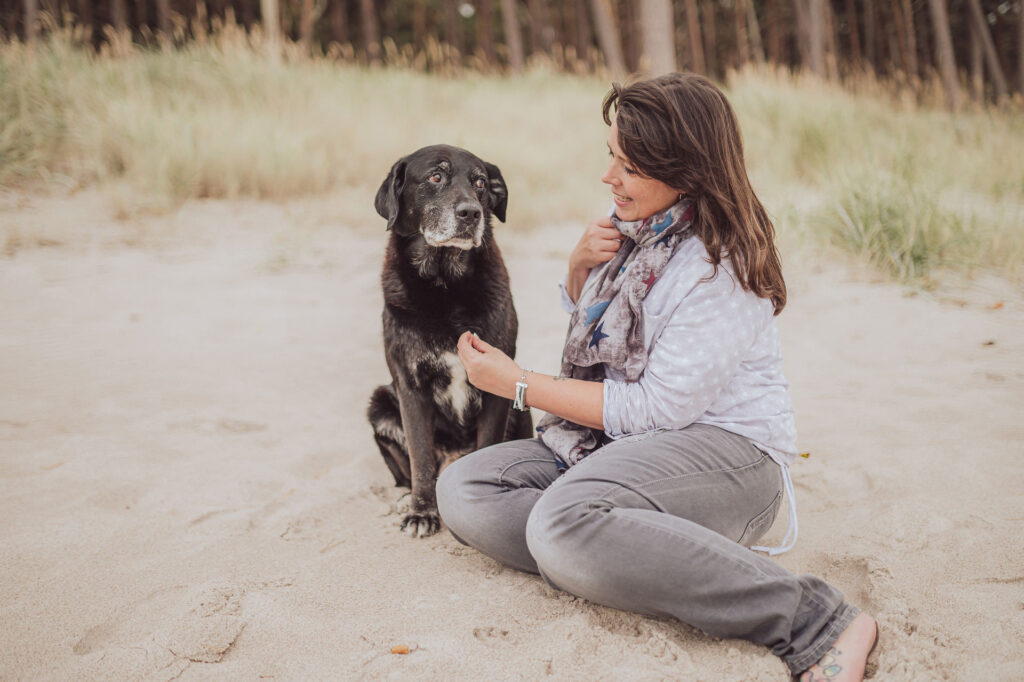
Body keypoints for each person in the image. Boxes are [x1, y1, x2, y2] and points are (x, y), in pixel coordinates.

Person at [436, 73, 878, 681]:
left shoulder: (718, 269)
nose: (609, 178)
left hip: (729, 460)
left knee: (561, 523)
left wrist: (518, 384)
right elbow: (604, 348)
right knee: (464, 489)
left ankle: (817, 620)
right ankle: (615, 547)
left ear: (686, 170)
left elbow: (654, 409)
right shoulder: (637, 239)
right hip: (616, 448)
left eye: (630, 166)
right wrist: (576, 272)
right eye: (611, 157)